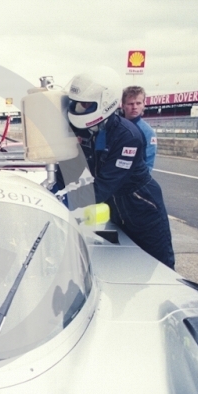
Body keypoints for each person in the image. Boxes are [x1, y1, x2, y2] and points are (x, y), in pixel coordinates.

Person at [61, 66, 175, 269]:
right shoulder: (92, 129)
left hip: (141, 203)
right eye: (78, 104)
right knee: (121, 262)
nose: (80, 108)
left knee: (159, 266)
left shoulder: (127, 136)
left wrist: (60, 200)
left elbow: (102, 187)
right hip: (116, 204)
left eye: (86, 104)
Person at [122, 85, 158, 171]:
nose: (134, 107)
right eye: (130, 103)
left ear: (143, 105)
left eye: (138, 103)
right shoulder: (114, 126)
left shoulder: (148, 132)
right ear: (123, 105)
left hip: (133, 182)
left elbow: (148, 164)